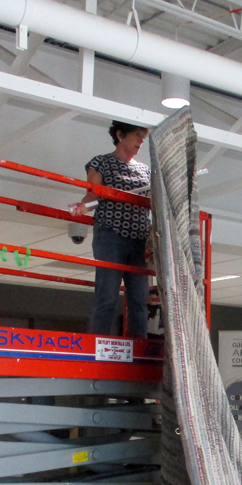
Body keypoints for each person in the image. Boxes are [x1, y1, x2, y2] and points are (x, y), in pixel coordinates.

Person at [72, 121, 151, 338]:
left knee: (139, 298)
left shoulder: (145, 170)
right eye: (137, 136)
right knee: (107, 294)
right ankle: (98, 344)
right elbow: (94, 194)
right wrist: (84, 206)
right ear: (120, 135)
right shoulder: (101, 162)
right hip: (111, 234)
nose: (140, 142)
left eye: (143, 137)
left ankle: (139, 347)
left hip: (139, 239)